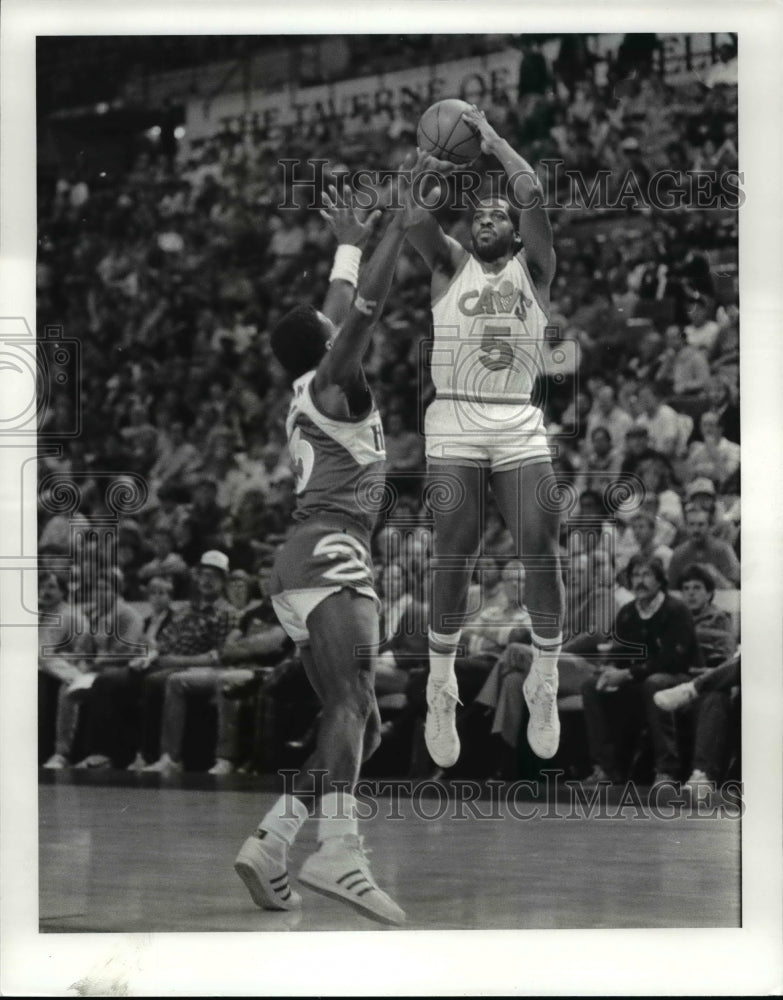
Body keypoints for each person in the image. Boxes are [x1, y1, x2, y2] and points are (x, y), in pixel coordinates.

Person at [234, 155, 447, 926]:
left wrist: (350, 243)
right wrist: (398, 219)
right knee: (356, 700)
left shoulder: (305, 386)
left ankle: (271, 842)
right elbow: (363, 310)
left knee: (359, 715)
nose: (340, 328)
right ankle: (339, 854)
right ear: (326, 346)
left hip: (302, 560)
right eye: (334, 332)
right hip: (331, 548)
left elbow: (338, 303)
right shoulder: (336, 383)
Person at [404, 105, 564, 771]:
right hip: (455, 419)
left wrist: (494, 141)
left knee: (539, 542)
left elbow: (531, 193)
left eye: (500, 215)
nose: (491, 217)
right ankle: (440, 680)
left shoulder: (537, 268)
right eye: (481, 215)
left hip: (517, 417)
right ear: (470, 230)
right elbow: (414, 217)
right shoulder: (449, 268)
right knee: (456, 550)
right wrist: (426, 164)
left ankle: (545, 676)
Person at [580, 554, 703, 786]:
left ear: (660, 581)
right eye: (635, 575)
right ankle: (605, 769)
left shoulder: (676, 610)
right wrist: (610, 669)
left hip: (680, 678)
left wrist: (627, 674)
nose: (640, 581)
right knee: (591, 686)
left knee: (654, 684)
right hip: (638, 678)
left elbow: (672, 659)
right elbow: (619, 653)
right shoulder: (627, 612)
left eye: (647, 575)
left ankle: (667, 770)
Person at [142, 550, 240, 774]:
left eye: (213, 577)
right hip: (170, 662)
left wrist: (173, 660)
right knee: (124, 678)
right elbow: (164, 640)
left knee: (155, 681)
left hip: (199, 668)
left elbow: (219, 656)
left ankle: (165, 756)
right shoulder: (185, 610)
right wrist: (155, 653)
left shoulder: (227, 613)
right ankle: (139, 754)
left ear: (224, 581)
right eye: (203, 575)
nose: (206, 581)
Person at [667, 503, 740, 591]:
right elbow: (672, 589)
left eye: (701, 524)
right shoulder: (679, 553)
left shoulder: (724, 550)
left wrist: (716, 576)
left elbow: (733, 589)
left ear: (709, 526)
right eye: (691, 524)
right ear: (686, 527)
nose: (696, 530)